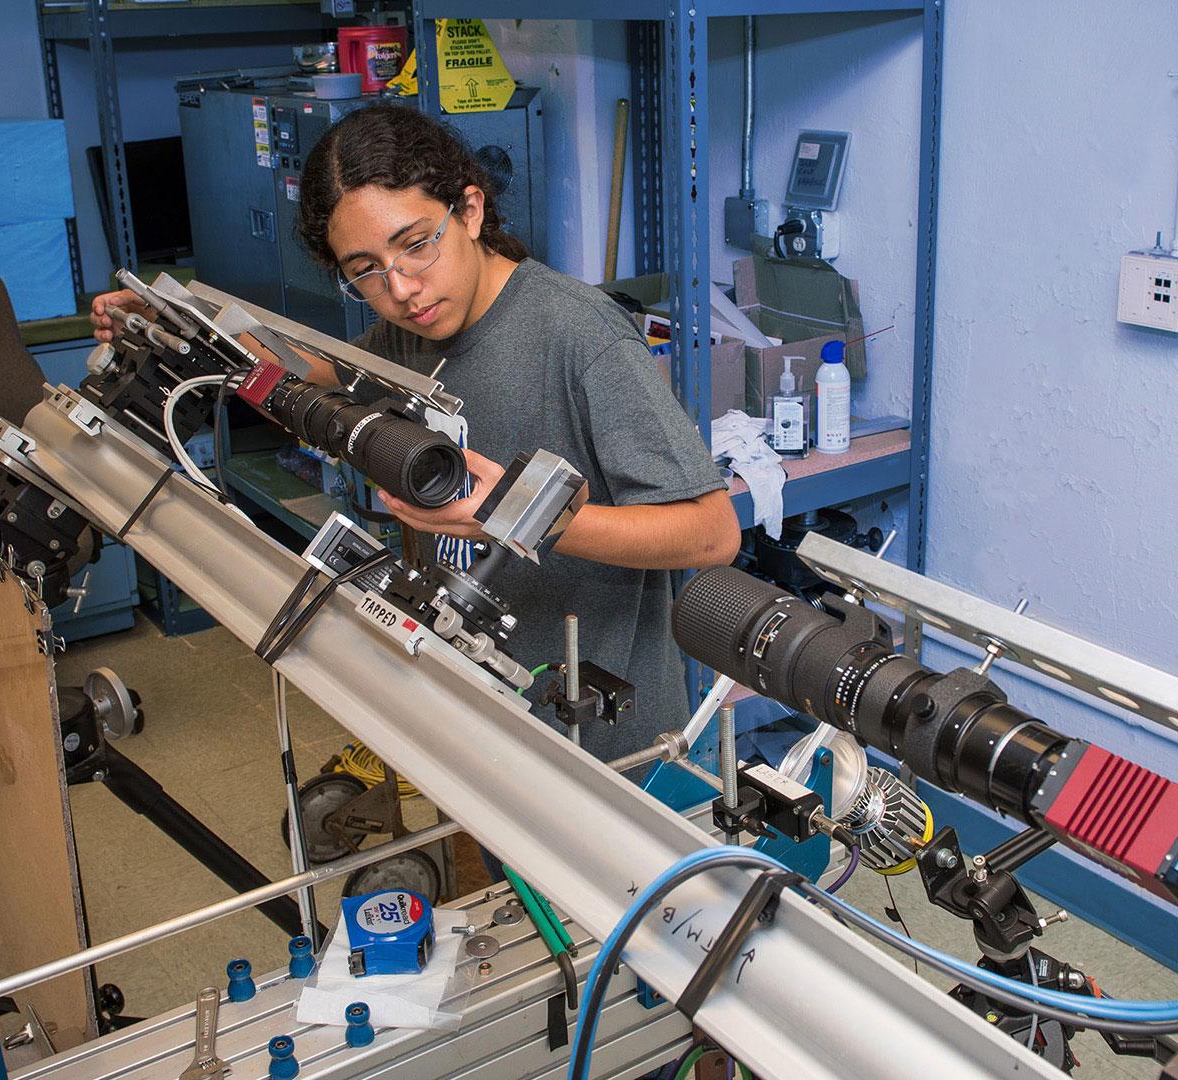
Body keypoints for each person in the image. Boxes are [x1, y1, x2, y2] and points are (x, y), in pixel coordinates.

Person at [92, 105, 739, 761]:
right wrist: (180, 325)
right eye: (365, 269)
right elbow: (311, 380)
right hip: (471, 712)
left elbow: (711, 532)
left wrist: (520, 515)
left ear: (471, 210)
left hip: (603, 741)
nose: (400, 287)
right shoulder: (410, 331)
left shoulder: (579, 334)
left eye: (416, 243)